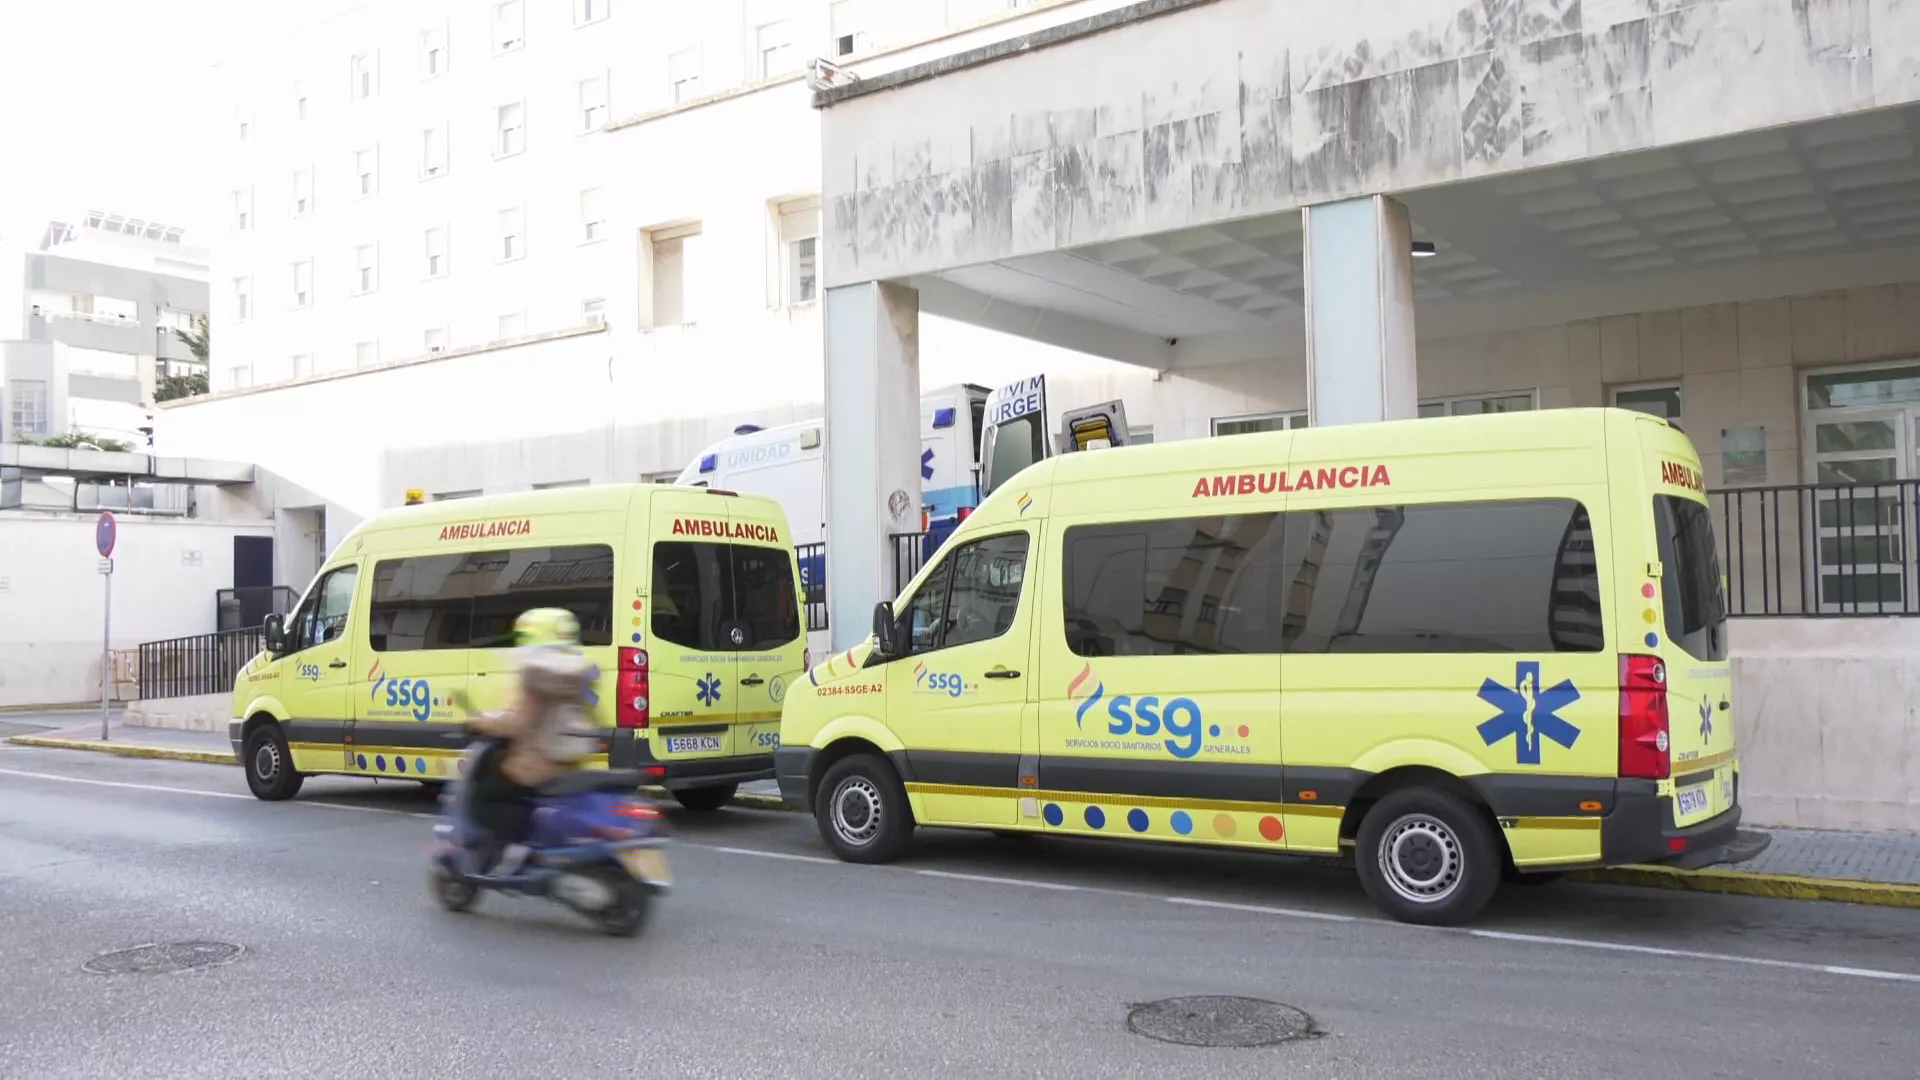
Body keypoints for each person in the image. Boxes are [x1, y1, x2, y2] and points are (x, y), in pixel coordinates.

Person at [465, 607, 598, 874]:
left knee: (486, 795)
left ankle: (510, 847)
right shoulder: (583, 671)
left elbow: (517, 723)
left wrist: (479, 723)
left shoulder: (536, 673)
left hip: (538, 764)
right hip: (572, 761)